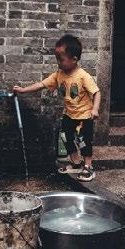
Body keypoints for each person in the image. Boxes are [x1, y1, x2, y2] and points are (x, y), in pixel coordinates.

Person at [13, 34, 100, 182]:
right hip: (69, 115)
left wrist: (95, 109)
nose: (58, 62)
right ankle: (76, 163)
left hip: (84, 116)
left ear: (74, 59)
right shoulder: (58, 74)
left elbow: (96, 92)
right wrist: (23, 90)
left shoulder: (83, 76)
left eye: (61, 59)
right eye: (57, 59)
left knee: (83, 141)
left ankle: (88, 167)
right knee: (65, 138)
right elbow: (42, 84)